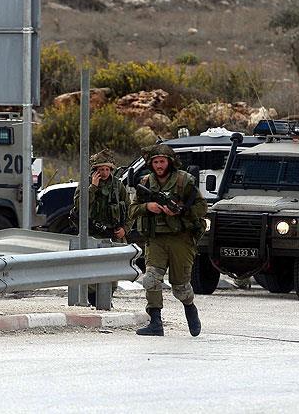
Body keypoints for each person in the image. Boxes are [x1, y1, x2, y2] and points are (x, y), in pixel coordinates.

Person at [130, 144, 208, 337]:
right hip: (156, 239)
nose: (159, 165)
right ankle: (155, 322)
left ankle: (190, 309)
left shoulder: (184, 181)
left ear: (170, 162)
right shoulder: (146, 182)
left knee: (180, 287)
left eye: (162, 161)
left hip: (180, 239)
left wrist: (181, 210)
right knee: (151, 279)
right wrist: (148, 206)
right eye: (155, 162)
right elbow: (132, 209)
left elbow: (202, 207)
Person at [71, 149, 129, 306]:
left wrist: (125, 228)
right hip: (92, 234)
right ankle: (93, 300)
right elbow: (79, 206)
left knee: (113, 273)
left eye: (107, 169)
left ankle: (107, 299)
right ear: (95, 170)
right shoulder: (86, 183)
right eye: (101, 169)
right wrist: (93, 187)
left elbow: (129, 208)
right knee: (91, 270)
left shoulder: (117, 186)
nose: (104, 173)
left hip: (113, 235)